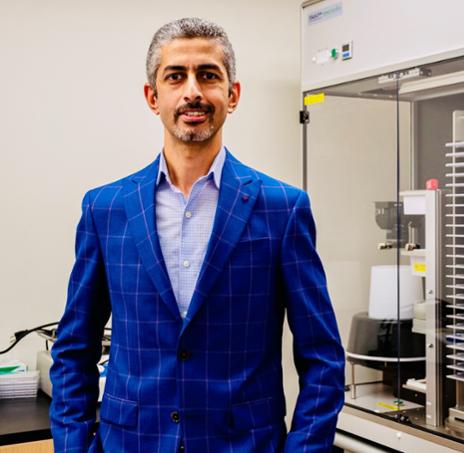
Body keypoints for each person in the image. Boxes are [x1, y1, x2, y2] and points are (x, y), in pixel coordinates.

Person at [49, 17, 345, 453]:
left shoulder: (283, 208)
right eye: (176, 76)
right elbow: (74, 348)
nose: (193, 91)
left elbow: (322, 357)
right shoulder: (105, 209)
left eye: (208, 75)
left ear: (233, 94)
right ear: (153, 96)